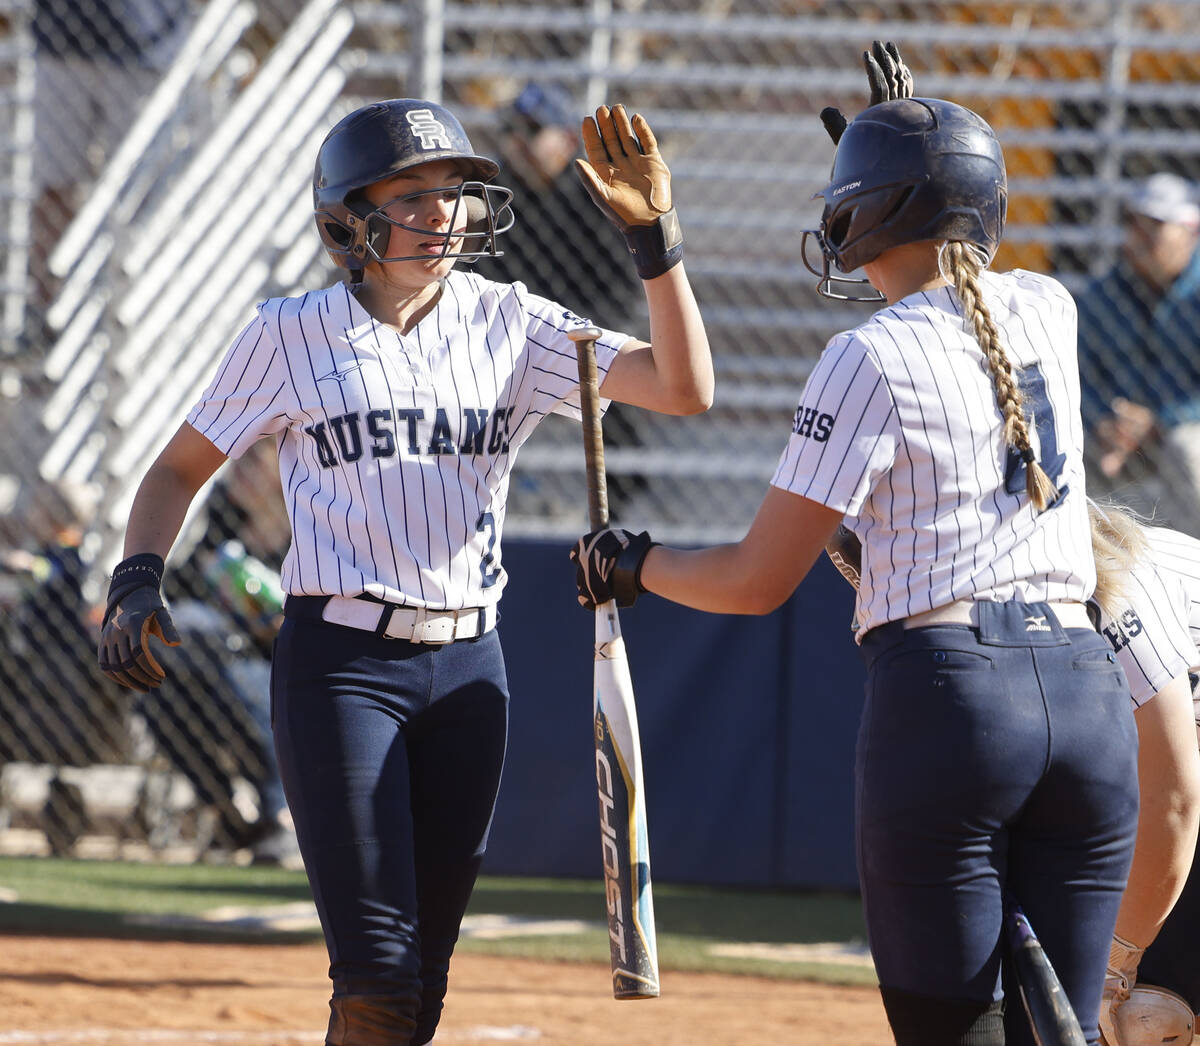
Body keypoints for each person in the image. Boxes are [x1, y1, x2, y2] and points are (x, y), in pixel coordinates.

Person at [96, 96, 712, 1045]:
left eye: (456, 192)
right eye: (413, 193)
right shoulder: (287, 333)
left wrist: (654, 241)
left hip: (470, 670)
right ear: (348, 217)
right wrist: (138, 575)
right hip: (340, 664)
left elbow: (683, 388)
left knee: (420, 985)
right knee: (379, 977)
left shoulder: (514, 322)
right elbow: (177, 470)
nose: (443, 213)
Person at [571, 84, 1141, 1045]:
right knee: (1066, 1030)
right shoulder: (1050, 305)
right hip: (1091, 696)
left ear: (876, 210)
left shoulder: (866, 355)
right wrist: (921, 144)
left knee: (951, 1032)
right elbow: (963, 306)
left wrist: (637, 563)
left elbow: (756, 582)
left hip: (956, 701)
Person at [475, 81, 647, 518]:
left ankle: (621, 501)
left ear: (568, 140)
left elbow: (623, 292)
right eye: (512, 130)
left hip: (584, 327)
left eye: (533, 131)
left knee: (615, 368)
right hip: (515, 329)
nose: (518, 142)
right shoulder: (498, 199)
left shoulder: (595, 198)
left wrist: (575, 332)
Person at [1087, 502, 1200, 1045]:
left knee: (1147, 1016)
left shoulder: (1106, 582)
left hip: (1187, 773)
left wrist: (1118, 962)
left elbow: (1175, 796)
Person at [1075, 173, 1200, 535]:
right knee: (1070, 444)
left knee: (1186, 449)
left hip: (1183, 431)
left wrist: (1159, 422)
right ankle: (1099, 567)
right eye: (1133, 222)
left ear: (1190, 232)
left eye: (1157, 225)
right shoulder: (1104, 294)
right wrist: (1103, 420)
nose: (1141, 235)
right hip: (1120, 434)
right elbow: (1078, 372)